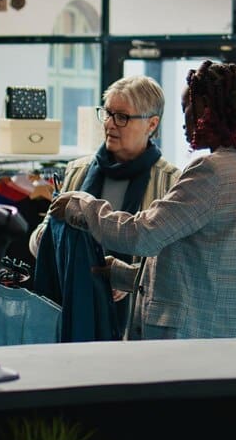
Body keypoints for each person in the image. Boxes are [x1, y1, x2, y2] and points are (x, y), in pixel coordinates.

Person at [49, 61, 236, 339]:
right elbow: (202, 269)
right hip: (221, 337)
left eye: (186, 108)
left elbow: (142, 235)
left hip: (196, 341)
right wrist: (124, 275)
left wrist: (81, 205)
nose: (184, 118)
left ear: (206, 110)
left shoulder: (211, 171)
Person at [29, 75, 180, 339]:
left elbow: (171, 268)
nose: (110, 123)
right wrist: (57, 241)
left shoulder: (170, 182)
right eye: (108, 113)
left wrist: (126, 278)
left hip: (135, 325)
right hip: (72, 312)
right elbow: (39, 240)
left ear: (152, 124)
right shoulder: (77, 171)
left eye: (122, 116)